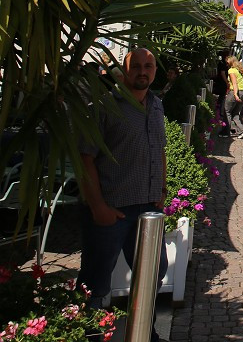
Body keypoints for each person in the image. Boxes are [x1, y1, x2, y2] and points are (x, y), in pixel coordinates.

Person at [77, 48, 168, 341]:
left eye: (148, 66)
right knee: (95, 281)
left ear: (155, 70)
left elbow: (160, 149)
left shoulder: (156, 105)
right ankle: (86, 333)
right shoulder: (105, 106)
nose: (143, 71)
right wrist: (98, 206)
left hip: (148, 209)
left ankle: (145, 333)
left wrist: (162, 188)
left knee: (152, 276)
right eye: (136, 66)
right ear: (124, 71)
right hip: (113, 209)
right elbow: (85, 157)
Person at [224, 55, 243, 139]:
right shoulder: (241, 70)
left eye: (227, 61)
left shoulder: (231, 70)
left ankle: (226, 131)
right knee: (235, 113)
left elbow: (235, 83)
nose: (226, 63)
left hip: (236, 92)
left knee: (226, 111)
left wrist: (235, 94)